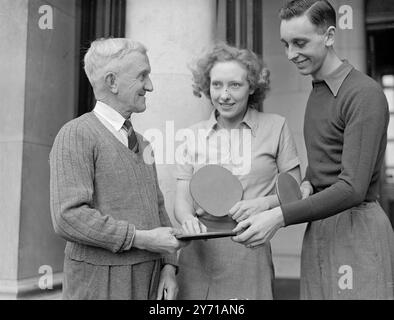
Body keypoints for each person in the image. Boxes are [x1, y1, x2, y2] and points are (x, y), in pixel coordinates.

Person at [233, 0, 394, 300]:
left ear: (330, 36)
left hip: (357, 229)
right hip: (320, 229)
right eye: (285, 44)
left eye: (300, 43)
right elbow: (323, 167)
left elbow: (352, 188)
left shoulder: (364, 93)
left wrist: (280, 216)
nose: (291, 54)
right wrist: (292, 191)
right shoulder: (318, 90)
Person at [49, 38, 187, 300]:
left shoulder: (144, 142)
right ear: (112, 82)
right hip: (99, 284)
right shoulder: (75, 135)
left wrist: (170, 266)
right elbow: (68, 217)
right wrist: (140, 239)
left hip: (152, 281)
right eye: (142, 76)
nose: (150, 86)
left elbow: (157, 208)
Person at [174, 42, 301, 299]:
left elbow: (295, 193)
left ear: (252, 86)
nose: (224, 95)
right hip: (198, 252)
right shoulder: (191, 135)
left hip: (250, 246)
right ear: (206, 86)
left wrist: (263, 204)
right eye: (217, 84)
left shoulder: (276, 127)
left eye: (235, 85)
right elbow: (182, 199)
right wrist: (186, 219)